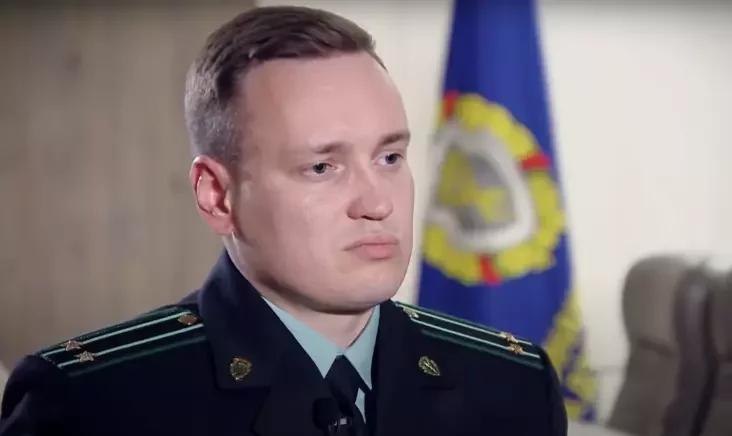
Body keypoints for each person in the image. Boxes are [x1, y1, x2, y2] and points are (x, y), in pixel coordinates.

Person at [0, 6, 567, 436]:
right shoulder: (92, 404)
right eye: (321, 167)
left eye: (390, 157)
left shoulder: (512, 385)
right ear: (218, 196)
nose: (377, 203)